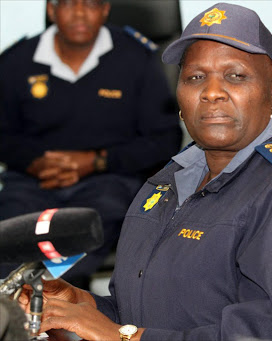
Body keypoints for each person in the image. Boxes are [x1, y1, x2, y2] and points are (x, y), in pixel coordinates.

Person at [17, 3, 272, 340]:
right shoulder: (168, 179)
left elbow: (271, 334)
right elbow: (139, 313)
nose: (211, 93)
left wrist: (121, 337)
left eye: (235, 76)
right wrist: (81, 305)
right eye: (195, 77)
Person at [0, 0, 182, 288]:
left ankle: (51, 310)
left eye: (91, 4)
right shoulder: (16, 61)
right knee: (8, 246)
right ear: (51, 10)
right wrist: (35, 161)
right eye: (69, 4)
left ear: (106, 9)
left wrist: (96, 161)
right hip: (32, 183)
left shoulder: (138, 58)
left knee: (78, 243)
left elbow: (163, 140)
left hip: (107, 182)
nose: (81, 13)